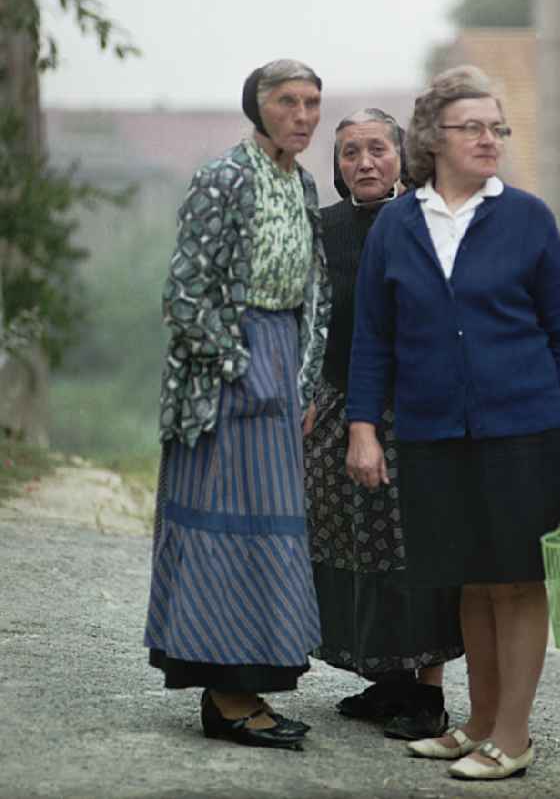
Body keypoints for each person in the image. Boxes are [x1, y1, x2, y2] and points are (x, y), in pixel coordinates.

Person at [346, 66, 560, 781]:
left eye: (498, 127)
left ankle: (513, 736)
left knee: (518, 580)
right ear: (435, 137)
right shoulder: (397, 224)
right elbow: (373, 335)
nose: (490, 139)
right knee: (470, 579)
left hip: (526, 427)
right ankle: (481, 722)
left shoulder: (529, 217)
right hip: (432, 432)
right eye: (474, 127)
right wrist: (362, 424)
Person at [144, 59, 331, 750]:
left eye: (313, 102)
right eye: (288, 101)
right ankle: (228, 695)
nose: (304, 115)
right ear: (258, 108)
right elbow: (184, 294)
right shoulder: (222, 177)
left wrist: (301, 380)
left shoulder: (302, 183)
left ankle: (243, 690)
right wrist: (238, 367)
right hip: (224, 373)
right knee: (227, 530)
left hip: (281, 363)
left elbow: (315, 290)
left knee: (272, 531)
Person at [304, 108, 463, 740]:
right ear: (337, 166)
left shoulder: (429, 223)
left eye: (377, 149)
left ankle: (426, 693)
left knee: (412, 551)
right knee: (349, 547)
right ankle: (384, 681)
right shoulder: (322, 231)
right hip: (339, 407)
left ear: (402, 156)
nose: (364, 162)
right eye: (349, 153)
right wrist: (306, 390)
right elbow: (306, 316)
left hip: (413, 414)